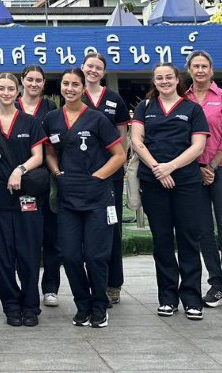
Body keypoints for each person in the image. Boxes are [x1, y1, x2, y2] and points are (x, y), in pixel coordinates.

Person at [45, 68, 126, 328]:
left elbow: (119, 154)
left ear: (83, 88)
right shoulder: (52, 118)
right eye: (66, 84)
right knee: (69, 255)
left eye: (75, 84)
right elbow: (49, 152)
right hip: (68, 197)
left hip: (97, 196)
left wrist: (97, 177)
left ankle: (99, 306)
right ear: (61, 87)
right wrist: (57, 173)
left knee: (95, 255)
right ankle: (82, 304)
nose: (70, 88)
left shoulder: (97, 119)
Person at [130, 63, 210, 319]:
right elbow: (136, 141)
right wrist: (157, 169)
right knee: (162, 240)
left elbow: (198, 146)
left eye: (168, 77)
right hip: (154, 183)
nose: (164, 81)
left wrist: (171, 167)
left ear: (177, 80)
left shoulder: (192, 109)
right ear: (154, 82)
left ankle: (192, 299)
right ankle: (167, 297)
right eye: (159, 78)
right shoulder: (145, 108)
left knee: (188, 239)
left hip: (186, 182)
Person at [0, 72, 46, 327]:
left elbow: (38, 156)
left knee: (29, 254)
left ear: (17, 92)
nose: (6, 92)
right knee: (5, 257)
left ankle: (31, 306)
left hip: (28, 198)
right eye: (2, 88)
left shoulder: (30, 123)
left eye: (11, 88)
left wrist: (19, 170)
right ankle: (10, 306)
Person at [185, 50, 222, 313]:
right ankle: (215, 282)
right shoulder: (183, 99)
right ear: (189, 70)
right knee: (204, 231)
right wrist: (199, 168)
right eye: (195, 66)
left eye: (204, 66)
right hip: (194, 172)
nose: (200, 71)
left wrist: (212, 166)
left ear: (211, 69)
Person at [81, 52, 131, 307]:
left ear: (103, 72)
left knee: (112, 229)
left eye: (98, 68)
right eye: (90, 66)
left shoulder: (114, 99)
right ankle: (91, 286)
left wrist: (117, 166)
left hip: (110, 174)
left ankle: (113, 284)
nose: (93, 71)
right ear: (82, 68)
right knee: (84, 233)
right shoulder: (75, 95)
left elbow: (122, 138)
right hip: (81, 176)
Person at [17, 64, 60, 308]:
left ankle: (50, 287)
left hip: (46, 179)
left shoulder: (50, 108)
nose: (34, 84)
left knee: (51, 236)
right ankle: (28, 285)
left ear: (44, 84)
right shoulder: (12, 104)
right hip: (20, 180)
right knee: (27, 238)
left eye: (38, 80)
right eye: (29, 79)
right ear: (22, 81)